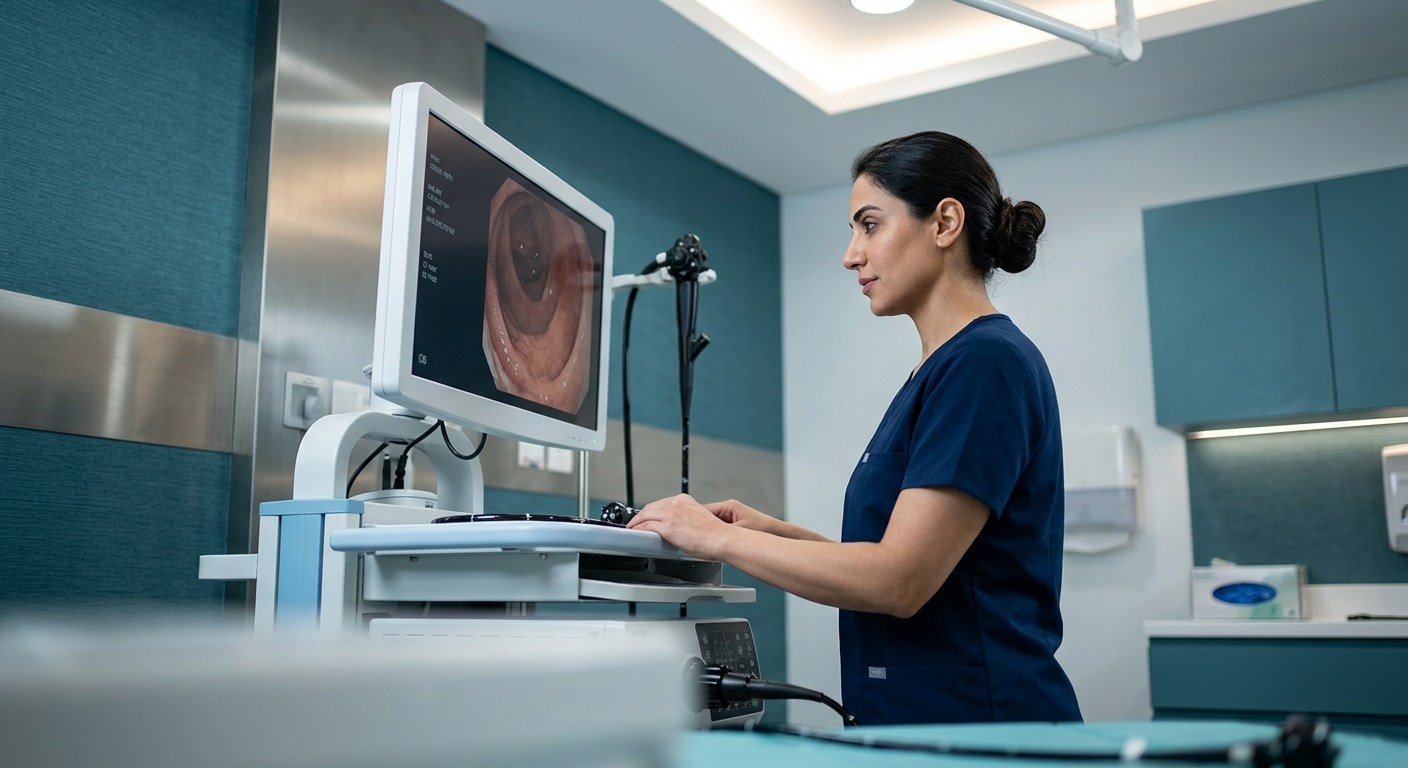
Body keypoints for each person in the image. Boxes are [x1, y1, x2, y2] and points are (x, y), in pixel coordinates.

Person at [626, 131, 1081, 726]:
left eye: (869, 225)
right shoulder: (942, 368)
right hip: (927, 722)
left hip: (981, 730)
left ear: (945, 222)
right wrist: (773, 532)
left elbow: (900, 581)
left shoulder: (983, 363)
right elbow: (888, 561)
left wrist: (716, 541)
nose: (851, 255)